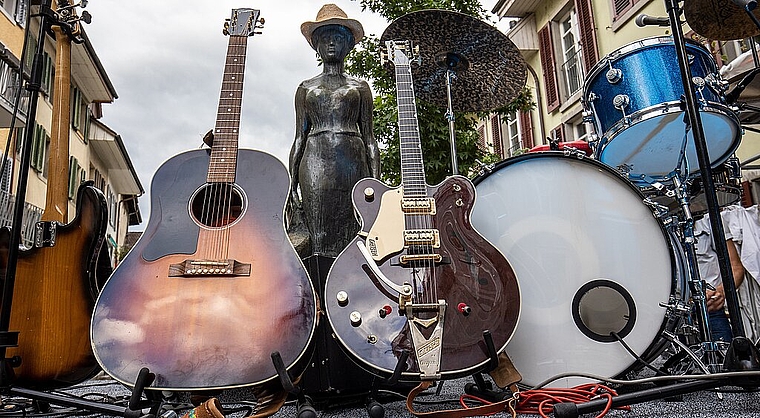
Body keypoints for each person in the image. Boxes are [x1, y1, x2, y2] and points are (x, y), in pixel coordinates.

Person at [288, 3, 380, 258]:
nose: (331, 44)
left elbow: (370, 139)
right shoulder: (305, 88)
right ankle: (318, 285)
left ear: (348, 45)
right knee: (318, 231)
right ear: (316, 45)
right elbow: (299, 139)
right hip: (315, 159)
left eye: (338, 38)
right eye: (325, 38)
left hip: (353, 159)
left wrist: (376, 183)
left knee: (354, 227)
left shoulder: (360, 88)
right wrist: (291, 185)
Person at [694, 210, 745, 342]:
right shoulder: (651, 224)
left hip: (711, 311)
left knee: (724, 360)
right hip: (668, 316)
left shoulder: (709, 219)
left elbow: (736, 268)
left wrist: (720, 293)